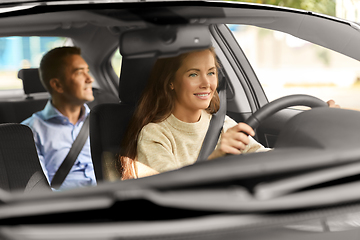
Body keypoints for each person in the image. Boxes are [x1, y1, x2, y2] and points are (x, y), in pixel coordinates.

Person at [118, 47, 340, 180]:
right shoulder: (155, 135)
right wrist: (218, 157)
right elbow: (171, 191)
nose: (207, 83)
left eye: (211, 73)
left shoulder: (221, 123)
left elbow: (265, 159)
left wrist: (320, 131)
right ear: (171, 83)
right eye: (194, 74)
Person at [22, 46, 96, 190]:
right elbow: (39, 190)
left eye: (88, 71)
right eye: (80, 73)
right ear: (57, 85)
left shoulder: (101, 122)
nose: (90, 79)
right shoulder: (30, 131)